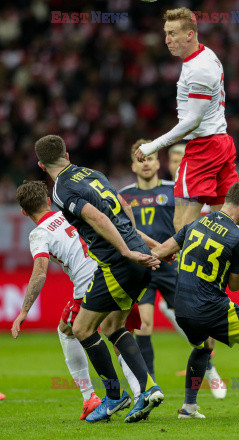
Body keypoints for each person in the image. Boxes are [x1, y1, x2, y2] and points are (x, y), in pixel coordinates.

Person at [135, 7, 239, 314]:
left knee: (182, 225)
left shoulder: (199, 69)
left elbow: (191, 121)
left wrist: (155, 145)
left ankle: (200, 294)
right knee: (226, 221)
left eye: (173, 33)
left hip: (203, 148)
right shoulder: (204, 57)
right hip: (221, 143)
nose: (166, 39)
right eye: (165, 33)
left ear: (190, 34)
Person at [34, 134, 163, 424]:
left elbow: (97, 218)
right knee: (113, 325)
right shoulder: (94, 173)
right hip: (136, 254)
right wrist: (146, 246)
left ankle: (115, 396)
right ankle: (148, 388)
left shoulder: (61, 189)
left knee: (81, 328)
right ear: (67, 154)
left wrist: (126, 251)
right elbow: (124, 209)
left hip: (119, 262)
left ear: (42, 165)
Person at [152, 182, 239, 418]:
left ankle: (188, 408)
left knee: (203, 346)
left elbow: (162, 251)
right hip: (210, 307)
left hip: (182, 309)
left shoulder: (194, 223)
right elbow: (235, 285)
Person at [12, 180, 142, 420]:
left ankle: (92, 396)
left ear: (23, 211)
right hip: (115, 273)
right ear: (49, 201)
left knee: (67, 330)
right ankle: (141, 394)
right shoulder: (69, 212)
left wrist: (23, 311)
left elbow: (40, 272)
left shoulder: (38, 234)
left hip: (90, 286)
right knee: (117, 333)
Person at [120, 139, 226, 399]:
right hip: (142, 268)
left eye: (151, 158)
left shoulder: (174, 190)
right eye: (140, 160)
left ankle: (209, 367)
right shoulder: (124, 196)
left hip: (171, 266)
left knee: (193, 321)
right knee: (143, 325)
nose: (146, 164)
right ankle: (149, 387)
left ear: (159, 162)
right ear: (133, 166)